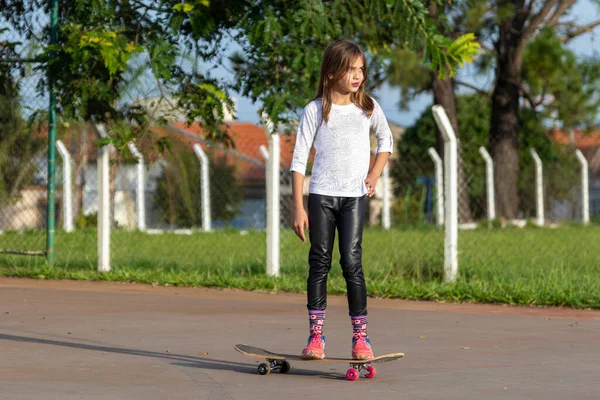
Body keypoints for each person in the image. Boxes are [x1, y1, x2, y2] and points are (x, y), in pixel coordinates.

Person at [289, 39, 393, 360]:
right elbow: (298, 159)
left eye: (361, 69)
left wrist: (374, 175)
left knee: (351, 263)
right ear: (332, 72)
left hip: (353, 197)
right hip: (321, 195)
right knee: (319, 263)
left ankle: (361, 338)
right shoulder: (315, 110)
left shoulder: (368, 108)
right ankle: (316, 337)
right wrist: (298, 205)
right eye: (350, 69)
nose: (357, 75)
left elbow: (385, 139)